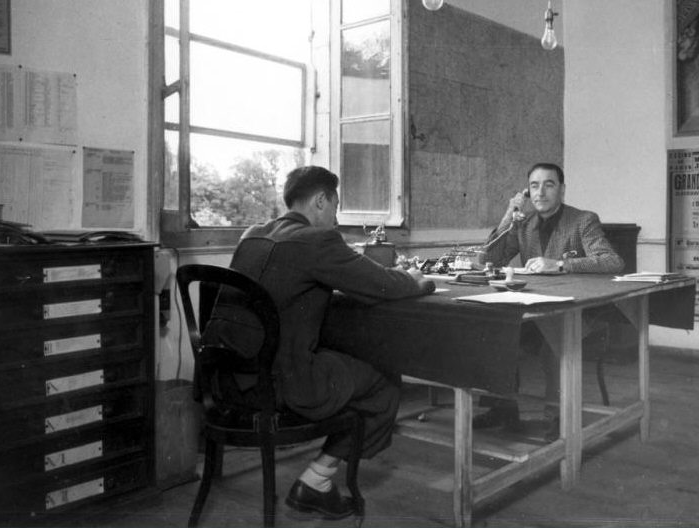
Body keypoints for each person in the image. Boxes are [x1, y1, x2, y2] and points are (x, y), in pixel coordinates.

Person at [203, 166, 434, 520]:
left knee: (341, 360)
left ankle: (317, 480)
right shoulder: (318, 241)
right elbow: (385, 285)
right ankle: (316, 480)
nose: (337, 220)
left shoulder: (252, 235)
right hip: (279, 387)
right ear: (321, 201)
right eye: (336, 208)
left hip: (226, 383)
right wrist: (418, 280)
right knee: (385, 381)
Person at [478, 162, 624, 435]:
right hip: (536, 309)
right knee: (495, 332)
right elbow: (488, 260)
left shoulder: (583, 220)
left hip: (579, 314)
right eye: (534, 186)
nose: (540, 192)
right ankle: (503, 409)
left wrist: (559, 265)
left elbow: (612, 261)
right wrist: (508, 215)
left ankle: (557, 417)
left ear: (562, 190)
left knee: (552, 340)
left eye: (549, 185)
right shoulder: (523, 225)